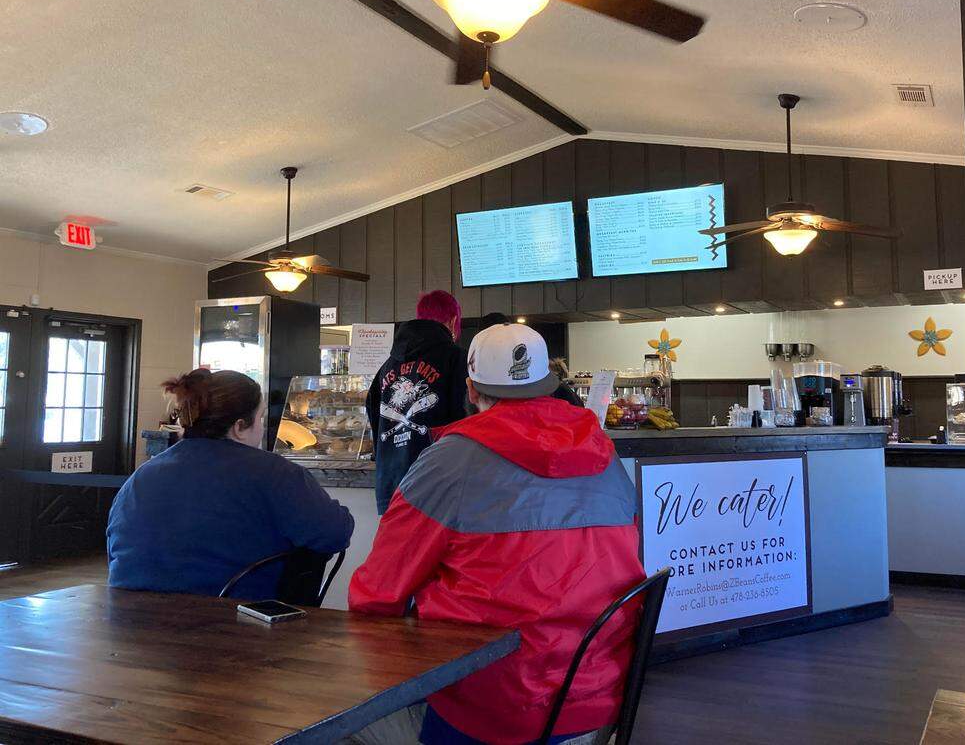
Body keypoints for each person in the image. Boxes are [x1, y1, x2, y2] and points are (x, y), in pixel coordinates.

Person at [348, 323, 645, 745]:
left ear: (470, 389)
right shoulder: (605, 453)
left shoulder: (448, 462)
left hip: (490, 706)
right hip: (598, 703)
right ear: (549, 383)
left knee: (328, 721)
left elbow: (377, 594)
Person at [107, 369, 353, 600]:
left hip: (128, 617)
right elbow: (334, 534)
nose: (262, 427)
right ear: (239, 427)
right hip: (232, 620)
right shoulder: (275, 473)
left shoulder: (141, 476)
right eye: (260, 418)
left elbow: (117, 548)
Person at [367, 290, 468, 513]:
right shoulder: (456, 358)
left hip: (392, 487)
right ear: (453, 322)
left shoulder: (386, 367)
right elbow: (465, 419)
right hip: (439, 485)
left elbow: (375, 422)